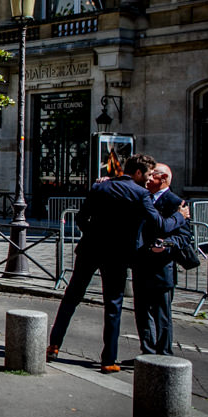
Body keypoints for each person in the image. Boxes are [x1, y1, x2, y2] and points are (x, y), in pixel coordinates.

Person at [47, 153, 188, 372]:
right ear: (138, 172)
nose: (150, 180)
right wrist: (180, 216)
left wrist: (94, 235)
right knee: (113, 305)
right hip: (118, 255)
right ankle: (108, 360)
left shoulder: (100, 187)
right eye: (149, 174)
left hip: (90, 249)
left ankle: (54, 345)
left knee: (72, 296)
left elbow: (82, 218)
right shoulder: (141, 194)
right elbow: (160, 224)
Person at [132, 163, 188, 355]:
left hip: (161, 266)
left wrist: (166, 244)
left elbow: (184, 236)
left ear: (163, 178)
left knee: (162, 314)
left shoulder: (175, 202)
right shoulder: (142, 197)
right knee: (141, 312)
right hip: (141, 263)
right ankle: (147, 352)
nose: (148, 179)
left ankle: (164, 355)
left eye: (152, 175)